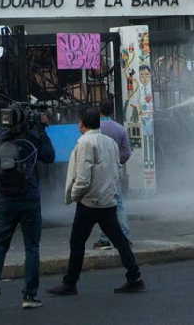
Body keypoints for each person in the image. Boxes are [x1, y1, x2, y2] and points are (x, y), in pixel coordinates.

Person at [47, 108, 145, 296]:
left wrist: (74, 196)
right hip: (107, 201)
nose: (77, 124)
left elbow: (83, 177)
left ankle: (70, 283)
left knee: (77, 242)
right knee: (120, 241)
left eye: (79, 122)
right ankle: (135, 277)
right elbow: (115, 169)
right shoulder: (109, 142)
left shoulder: (85, 143)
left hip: (89, 202)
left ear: (83, 124)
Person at [0, 101, 55, 311]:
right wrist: (41, 129)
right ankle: (29, 295)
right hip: (29, 198)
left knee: (0, 245)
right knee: (32, 247)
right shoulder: (31, 137)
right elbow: (49, 156)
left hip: (4, 200)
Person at [95, 99, 132, 249]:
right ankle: (124, 235)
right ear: (112, 111)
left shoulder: (96, 129)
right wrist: (119, 162)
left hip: (98, 172)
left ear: (100, 111)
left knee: (101, 205)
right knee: (119, 204)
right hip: (115, 171)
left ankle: (104, 238)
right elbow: (127, 152)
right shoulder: (120, 129)